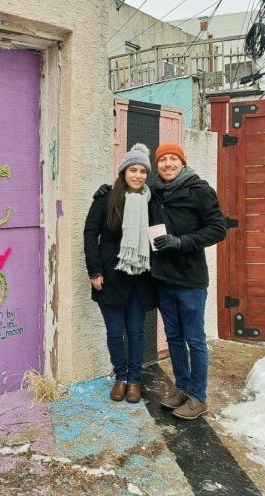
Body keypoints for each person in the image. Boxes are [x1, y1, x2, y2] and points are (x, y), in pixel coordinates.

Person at [149, 142, 226, 420]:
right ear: (156, 165)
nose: (167, 164)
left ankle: (198, 396)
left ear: (182, 162)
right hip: (163, 278)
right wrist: (106, 195)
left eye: (172, 159)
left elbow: (218, 229)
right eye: (162, 160)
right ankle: (181, 388)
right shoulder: (154, 192)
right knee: (174, 338)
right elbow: (128, 194)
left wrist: (180, 242)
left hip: (190, 280)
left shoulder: (200, 190)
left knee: (194, 339)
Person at [83, 143, 158, 404]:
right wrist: (94, 271)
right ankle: (121, 377)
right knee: (115, 332)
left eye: (143, 171)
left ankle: (135, 379)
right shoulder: (105, 198)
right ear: (123, 172)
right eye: (133, 170)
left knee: (136, 332)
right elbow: (91, 233)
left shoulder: (152, 201)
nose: (138, 175)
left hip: (140, 278)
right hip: (111, 277)